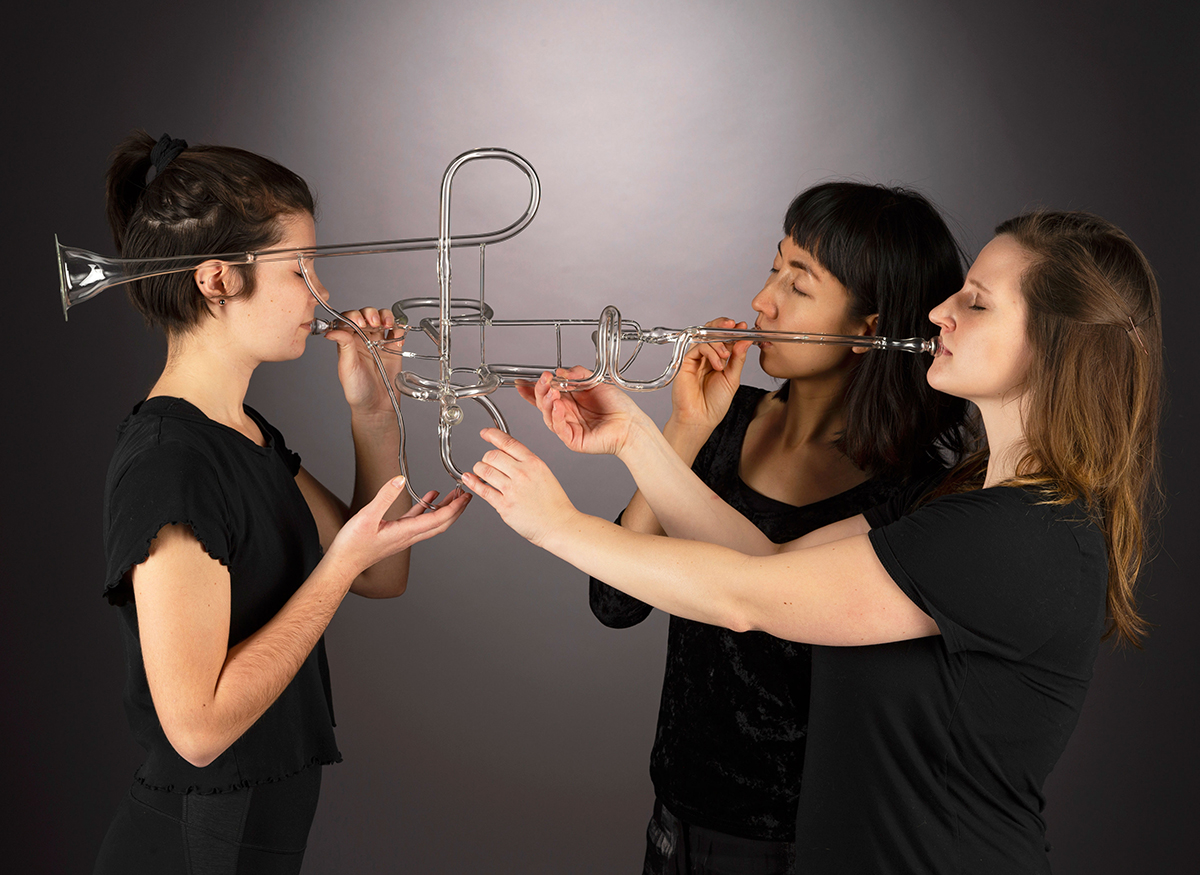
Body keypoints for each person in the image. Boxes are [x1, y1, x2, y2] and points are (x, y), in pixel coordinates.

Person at [463, 210, 1161, 874]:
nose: (940, 312)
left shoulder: (1014, 536)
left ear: (1057, 343)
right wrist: (637, 440)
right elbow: (768, 564)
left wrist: (557, 524)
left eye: (976, 304)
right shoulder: (970, 506)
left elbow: (747, 598)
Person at [92, 131, 470, 875]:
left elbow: (381, 574)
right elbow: (197, 729)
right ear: (215, 280)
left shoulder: (243, 432)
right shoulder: (170, 462)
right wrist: (338, 567)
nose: (320, 294)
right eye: (300, 268)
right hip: (192, 851)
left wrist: (373, 409)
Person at [587, 182, 971, 873]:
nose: (763, 301)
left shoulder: (917, 494)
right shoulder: (728, 417)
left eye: (799, 283)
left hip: (805, 843)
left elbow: (764, 588)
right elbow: (614, 602)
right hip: (675, 817)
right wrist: (686, 428)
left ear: (867, 328)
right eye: (774, 268)